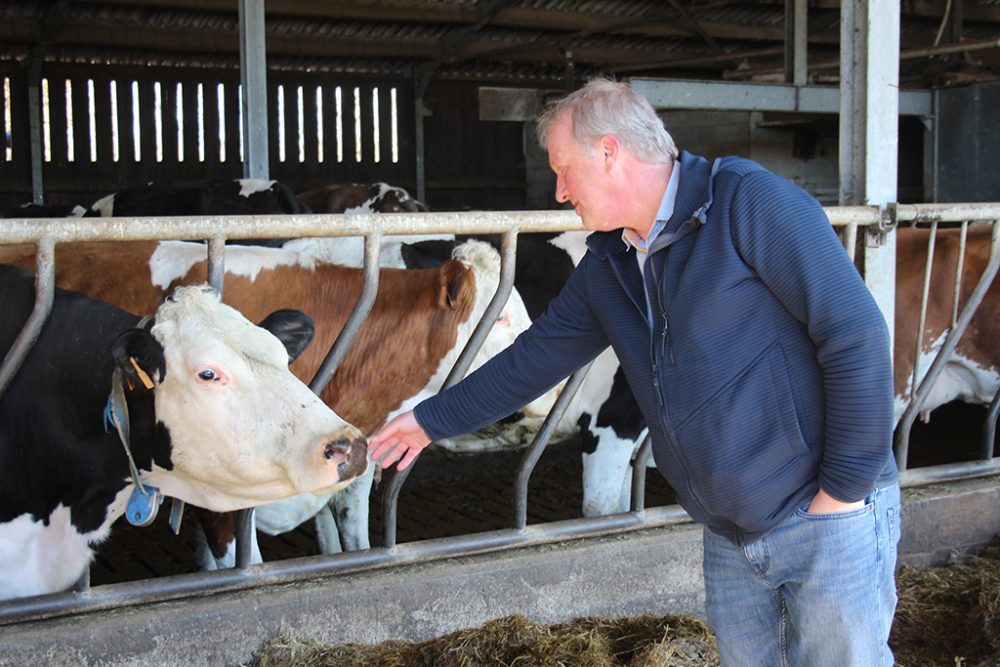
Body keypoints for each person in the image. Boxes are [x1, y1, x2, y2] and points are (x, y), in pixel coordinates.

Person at [369, 77, 900, 666]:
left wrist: (843, 492)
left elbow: (856, 334)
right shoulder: (611, 262)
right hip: (732, 534)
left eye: (564, 170)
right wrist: (426, 421)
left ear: (609, 152)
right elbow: (531, 359)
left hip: (821, 515)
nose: (559, 192)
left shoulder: (748, 204)